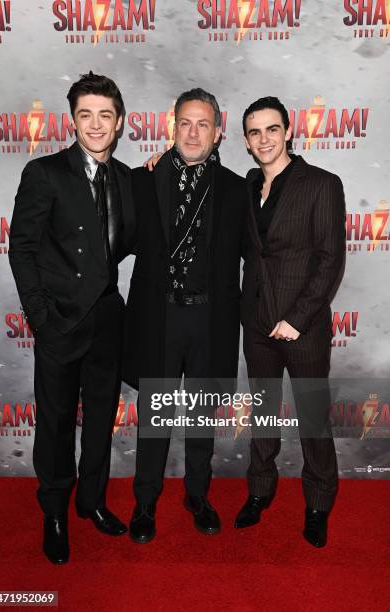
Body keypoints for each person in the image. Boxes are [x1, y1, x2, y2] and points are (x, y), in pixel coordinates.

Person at [9, 72, 135, 564]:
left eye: (106, 114)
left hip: (107, 322)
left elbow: (133, 243)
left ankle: (92, 503)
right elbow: (22, 248)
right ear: (73, 120)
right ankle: (55, 512)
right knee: (56, 423)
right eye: (86, 114)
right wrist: (40, 317)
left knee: (101, 420)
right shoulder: (44, 173)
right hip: (59, 323)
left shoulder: (127, 179)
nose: (96, 124)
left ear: (120, 121)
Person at [123, 88, 248, 543]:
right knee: (154, 417)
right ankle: (144, 501)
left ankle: (198, 495)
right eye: (185, 123)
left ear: (219, 131)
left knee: (200, 416)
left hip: (210, 321)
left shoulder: (238, 188)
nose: (193, 133)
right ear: (171, 126)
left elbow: (255, 258)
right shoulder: (142, 180)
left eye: (203, 124)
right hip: (159, 319)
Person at [236, 96, 346, 547]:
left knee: (313, 420)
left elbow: (329, 261)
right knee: (262, 413)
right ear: (246, 141)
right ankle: (260, 492)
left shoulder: (322, 184)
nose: (264, 139)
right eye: (254, 132)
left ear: (288, 131)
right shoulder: (244, 186)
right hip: (257, 324)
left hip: (303, 328)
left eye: (271, 129)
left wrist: (296, 320)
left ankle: (318, 503)